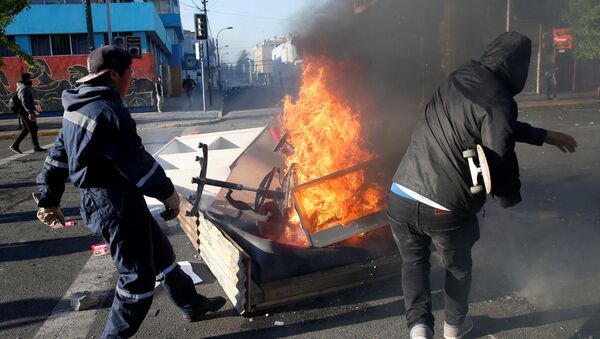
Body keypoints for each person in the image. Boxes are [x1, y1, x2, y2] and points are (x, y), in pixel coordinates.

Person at [386, 32, 577, 339]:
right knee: (458, 268)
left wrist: (543, 135)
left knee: (413, 264)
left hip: (401, 195)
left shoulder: (459, 77)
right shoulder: (499, 102)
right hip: (444, 208)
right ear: (520, 67)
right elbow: (499, 153)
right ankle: (454, 328)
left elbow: (489, 124)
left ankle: (419, 331)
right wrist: (508, 197)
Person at [34, 45, 225, 338]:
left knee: (163, 254)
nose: (132, 80)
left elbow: (58, 155)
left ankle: (191, 303)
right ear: (113, 74)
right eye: (130, 73)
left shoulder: (77, 106)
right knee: (137, 281)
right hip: (114, 204)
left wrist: (49, 198)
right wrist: (169, 195)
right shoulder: (109, 111)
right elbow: (138, 165)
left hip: (113, 200)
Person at [9, 73, 45, 154]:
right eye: (30, 78)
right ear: (27, 79)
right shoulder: (24, 88)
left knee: (29, 128)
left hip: (25, 111)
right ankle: (17, 145)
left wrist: (34, 109)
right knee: (32, 128)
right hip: (24, 112)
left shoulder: (24, 87)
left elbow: (28, 102)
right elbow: (25, 102)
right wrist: (30, 113)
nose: (31, 80)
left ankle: (34, 146)